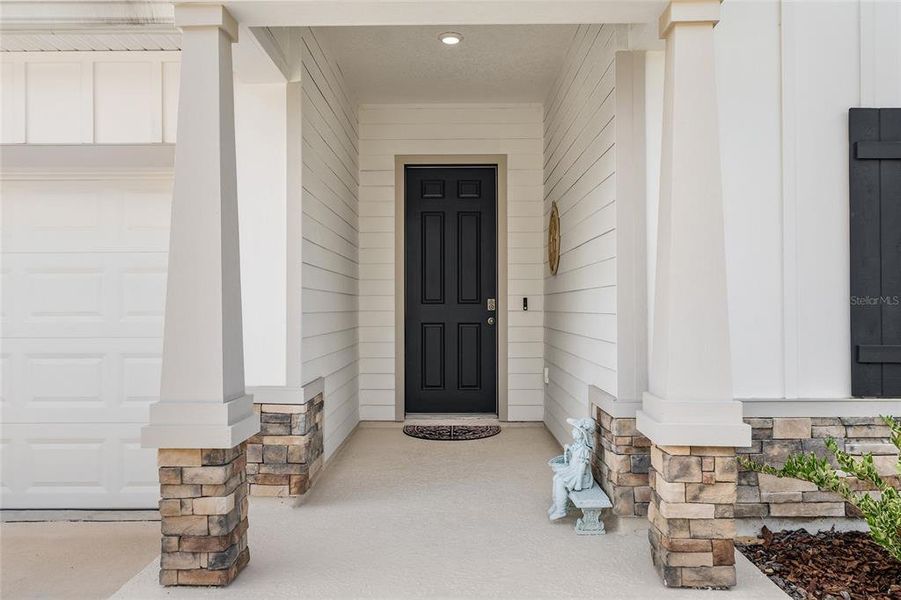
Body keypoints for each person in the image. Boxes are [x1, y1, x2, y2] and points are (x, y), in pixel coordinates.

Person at [548, 417, 596, 520]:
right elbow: (572, 458)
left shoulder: (584, 450)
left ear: (581, 434)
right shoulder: (577, 445)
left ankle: (561, 510)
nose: (572, 431)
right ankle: (557, 503)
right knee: (556, 478)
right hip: (573, 470)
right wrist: (569, 449)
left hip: (581, 477)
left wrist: (578, 483)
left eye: (575, 430)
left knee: (560, 482)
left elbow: (582, 467)